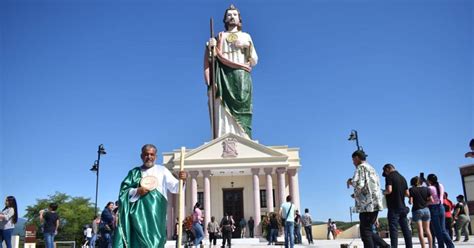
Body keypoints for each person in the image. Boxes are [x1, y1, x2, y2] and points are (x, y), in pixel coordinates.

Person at [113, 144, 187, 248]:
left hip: (156, 215)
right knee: (139, 242)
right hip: (138, 216)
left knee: (156, 241)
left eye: (152, 154)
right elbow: (123, 192)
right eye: (146, 154)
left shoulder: (162, 170)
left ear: (155, 156)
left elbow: (176, 188)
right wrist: (137, 191)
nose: (149, 157)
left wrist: (183, 180)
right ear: (141, 156)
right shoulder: (134, 173)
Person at [204, 4, 258, 139]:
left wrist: (247, 46)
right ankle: (223, 135)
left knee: (242, 105)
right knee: (220, 104)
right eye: (229, 15)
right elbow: (212, 59)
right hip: (222, 74)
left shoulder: (246, 36)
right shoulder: (219, 37)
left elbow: (254, 60)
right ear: (225, 19)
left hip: (240, 74)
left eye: (234, 15)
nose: (232, 17)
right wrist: (211, 48)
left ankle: (243, 137)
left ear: (239, 19)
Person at [347, 150, 384, 248]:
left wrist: (350, 181)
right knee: (367, 230)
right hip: (376, 203)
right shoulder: (372, 169)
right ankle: (384, 245)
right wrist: (356, 195)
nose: (353, 162)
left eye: (353, 160)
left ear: (357, 158)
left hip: (367, 205)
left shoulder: (360, 168)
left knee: (365, 232)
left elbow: (358, 184)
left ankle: (384, 245)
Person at [382, 163, 412, 248]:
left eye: (385, 172)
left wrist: (382, 192)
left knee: (393, 230)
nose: (386, 175)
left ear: (387, 169)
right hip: (402, 207)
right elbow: (407, 194)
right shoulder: (403, 178)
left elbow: (389, 190)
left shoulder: (390, 176)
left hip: (393, 208)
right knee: (406, 230)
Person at [426, 174, 454, 248]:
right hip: (441, 207)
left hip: (433, 208)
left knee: (437, 230)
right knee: (443, 229)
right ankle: (450, 245)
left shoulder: (429, 188)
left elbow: (430, 200)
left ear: (429, 180)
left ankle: (441, 246)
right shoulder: (441, 185)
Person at [409, 176, 433, 248]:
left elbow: (411, 202)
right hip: (426, 210)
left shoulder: (412, 189)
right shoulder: (426, 189)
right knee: (428, 230)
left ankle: (423, 247)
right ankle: (431, 247)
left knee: (420, 231)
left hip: (417, 210)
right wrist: (425, 204)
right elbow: (431, 200)